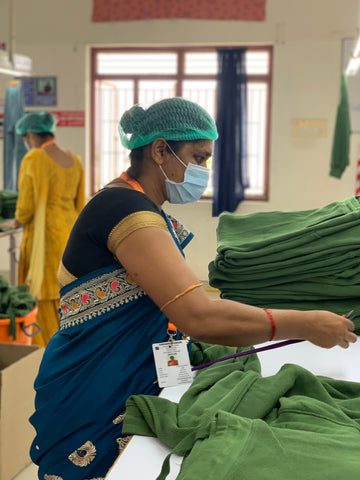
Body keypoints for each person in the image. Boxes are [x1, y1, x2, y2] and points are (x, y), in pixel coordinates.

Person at [29, 97, 357, 480]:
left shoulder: (138, 204)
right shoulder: (124, 209)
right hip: (96, 382)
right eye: (199, 158)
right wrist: (303, 324)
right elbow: (196, 314)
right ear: (159, 150)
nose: (204, 170)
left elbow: (178, 302)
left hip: (128, 369)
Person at [12, 111, 85, 347]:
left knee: (43, 295)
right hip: (70, 235)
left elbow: (26, 206)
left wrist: (16, 220)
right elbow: (80, 204)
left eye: (25, 138)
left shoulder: (34, 158)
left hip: (44, 239)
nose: (26, 143)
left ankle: (47, 351)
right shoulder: (75, 160)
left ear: (31, 134)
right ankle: (71, 346)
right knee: (67, 293)